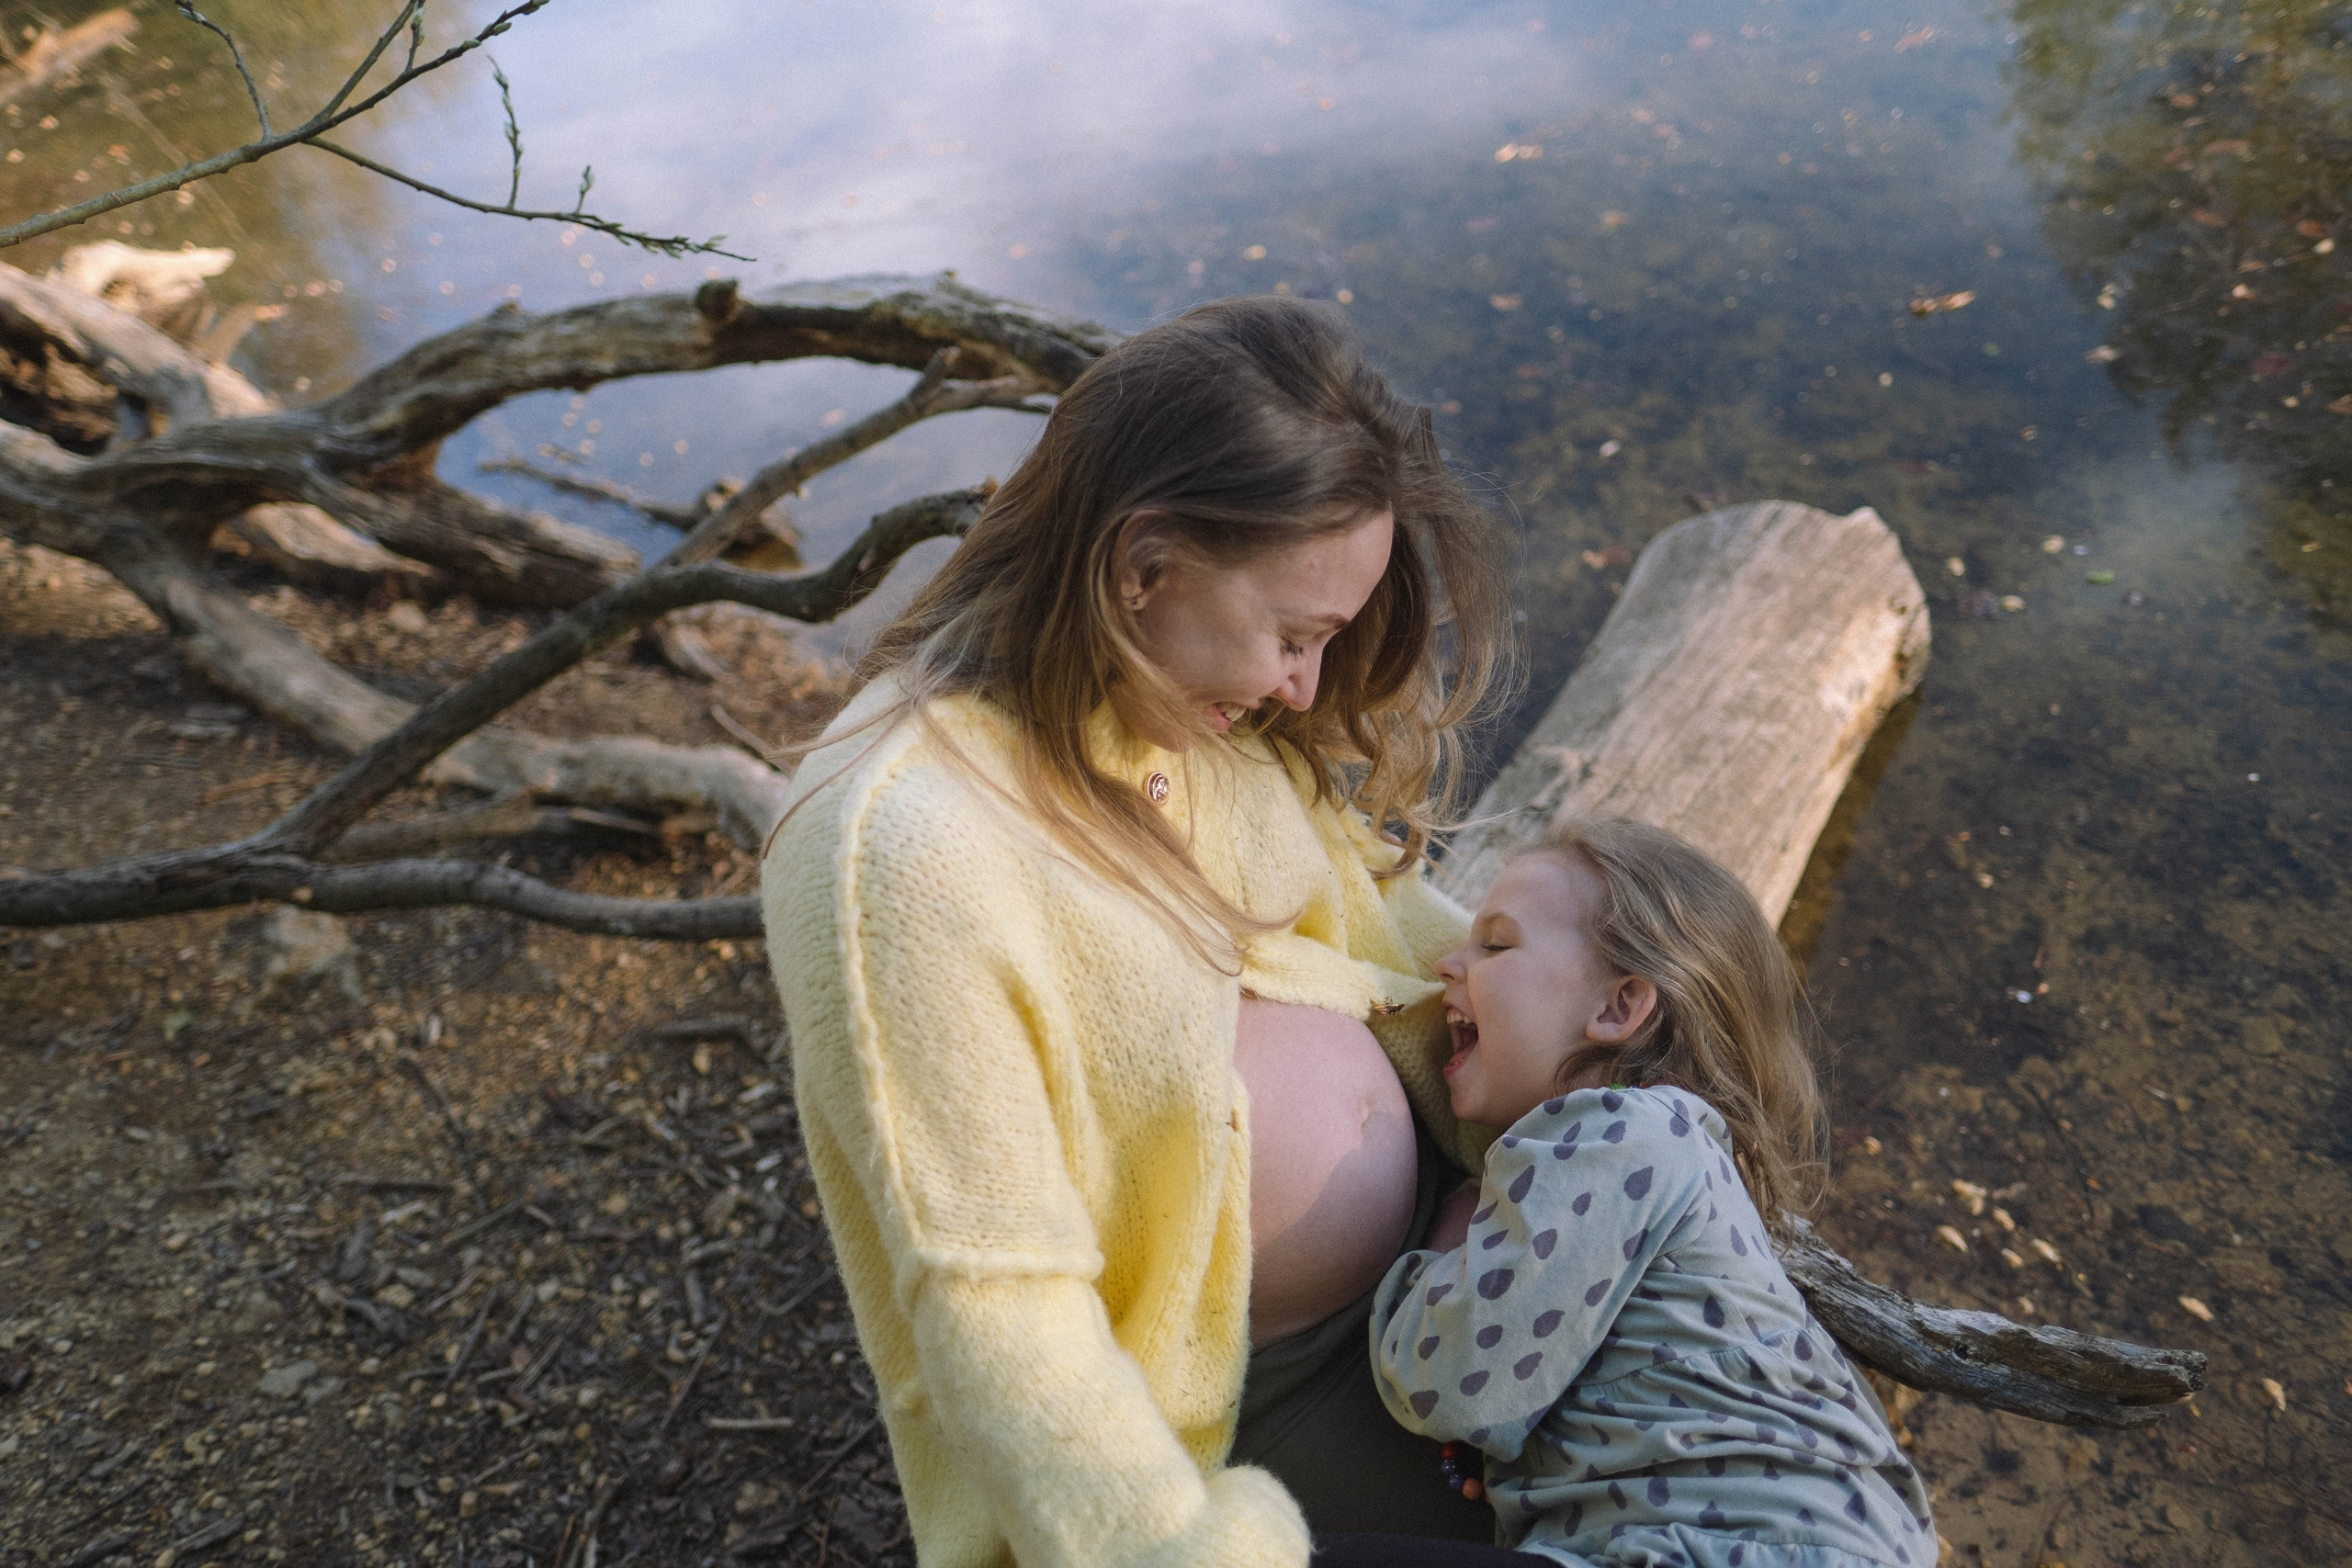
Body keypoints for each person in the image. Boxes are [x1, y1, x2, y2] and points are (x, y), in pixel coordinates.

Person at [760, 295, 1515, 1567]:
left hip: (1417, 1312)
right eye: (1293, 634)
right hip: (1209, 1442)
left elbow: (1387, 927)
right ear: (1141, 565)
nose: (1305, 688)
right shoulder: (906, 845)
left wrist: (1615, 1098)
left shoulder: (1166, 714)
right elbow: (996, 1299)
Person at [1321, 818, 1935, 1568]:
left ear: (1618, 1009)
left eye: (1496, 943)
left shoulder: (1619, 1133)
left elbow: (1446, 1385)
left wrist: (1439, 1245)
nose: (1448, 962)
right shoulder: (1666, 1159)